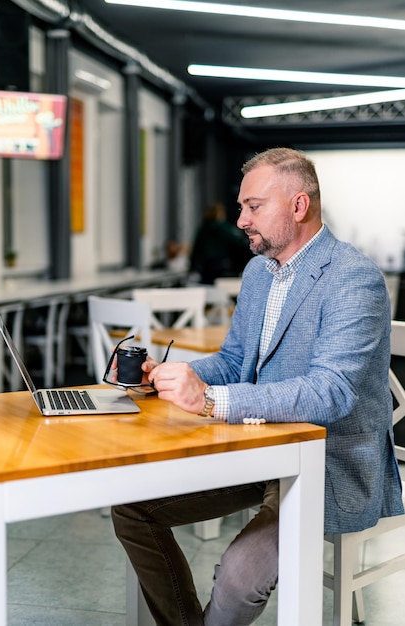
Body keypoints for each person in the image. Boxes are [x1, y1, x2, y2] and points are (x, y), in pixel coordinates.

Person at [111, 147, 404, 626]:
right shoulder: (258, 272)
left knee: (239, 576)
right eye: (242, 206)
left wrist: (208, 401)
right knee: (132, 508)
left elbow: (330, 391)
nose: (241, 219)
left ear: (298, 206)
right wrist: (170, 378)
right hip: (262, 447)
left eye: (254, 206)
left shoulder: (354, 278)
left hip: (329, 462)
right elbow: (234, 361)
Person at [190, 201, 251, 284]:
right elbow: (240, 245)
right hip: (225, 268)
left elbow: (196, 251)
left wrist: (192, 268)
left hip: (206, 269)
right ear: (219, 214)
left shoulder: (202, 230)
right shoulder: (226, 229)